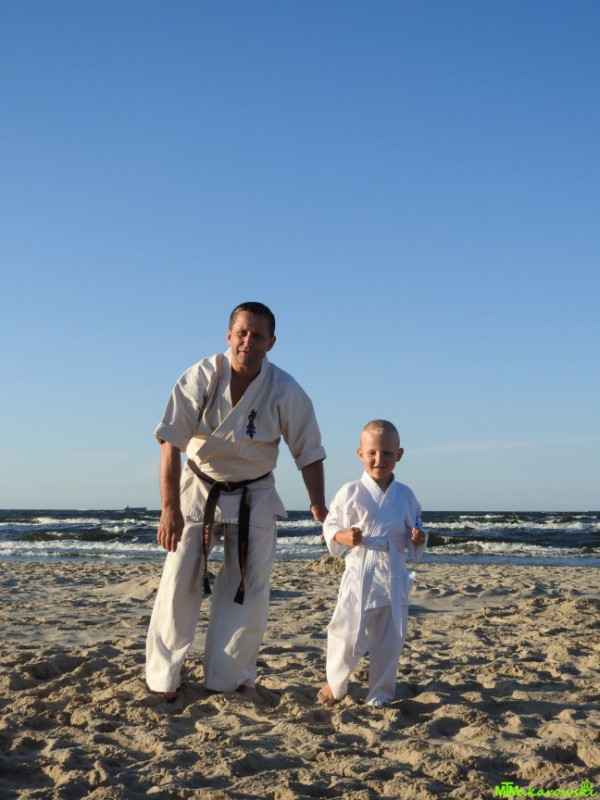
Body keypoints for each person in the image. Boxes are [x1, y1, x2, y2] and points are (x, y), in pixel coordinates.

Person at [146, 301, 327, 702]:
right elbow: (170, 443)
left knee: (248, 589)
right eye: (242, 333)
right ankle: (162, 679)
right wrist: (169, 508)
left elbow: (309, 450)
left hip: (255, 492)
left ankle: (227, 679)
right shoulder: (201, 376)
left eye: (257, 335)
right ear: (229, 335)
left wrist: (318, 503)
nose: (248, 341)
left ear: (271, 342)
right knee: (179, 582)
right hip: (200, 485)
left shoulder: (285, 389)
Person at [318, 420, 427, 708]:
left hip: (393, 574)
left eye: (387, 453)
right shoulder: (350, 491)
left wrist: (418, 538)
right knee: (345, 633)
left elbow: (417, 528)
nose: (380, 459)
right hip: (360, 572)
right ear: (360, 454)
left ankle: (380, 693)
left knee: (390, 640)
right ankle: (336, 684)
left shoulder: (405, 495)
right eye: (372, 453)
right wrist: (343, 536)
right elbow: (330, 525)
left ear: (399, 455)